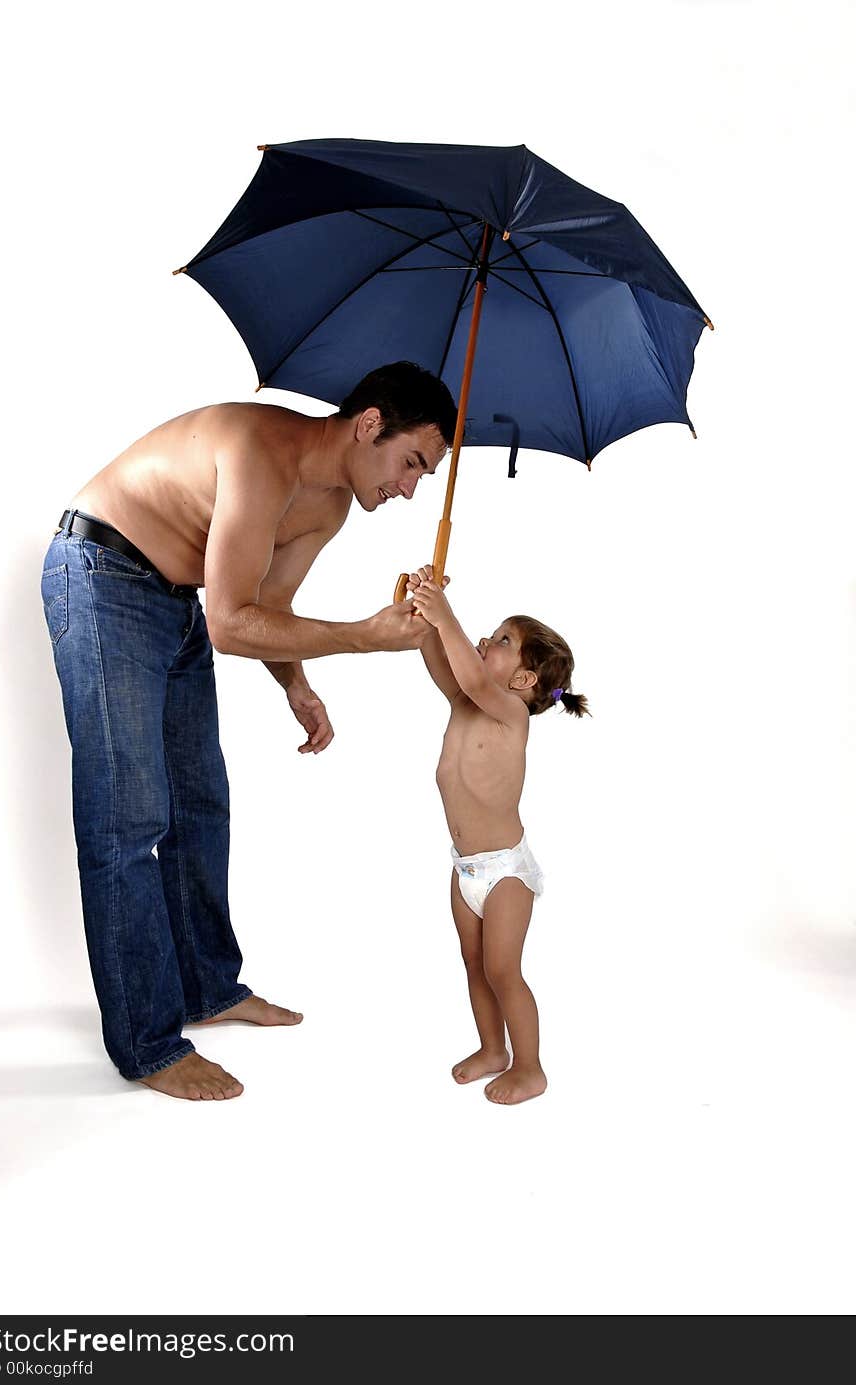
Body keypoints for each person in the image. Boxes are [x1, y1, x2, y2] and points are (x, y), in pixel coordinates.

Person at [40, 362, 456, 1100]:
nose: (410, 488)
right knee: (128, 822)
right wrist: (365, 635)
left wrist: (297, 685)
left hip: (176, 601)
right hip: (102, 574)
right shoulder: (259, 449)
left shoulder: (330, 505)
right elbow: (233, 624)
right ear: (368, 425)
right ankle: (146, 1042)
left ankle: (207, 986)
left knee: (202, 804)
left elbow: (267, 602)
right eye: (412, 461)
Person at [408, 566, 588, 1105]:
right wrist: (421, 612)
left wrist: (448, 615)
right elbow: (441, 659)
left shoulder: (508, 711)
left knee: (502, 968)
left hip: (507, 871)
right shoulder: (468, 698)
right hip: (466, 870)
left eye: (503, 640)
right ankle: (493, 1050)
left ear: (525, 681)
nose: (487, 640)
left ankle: (530, 1067)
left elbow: (474, 676)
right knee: (473, 964)